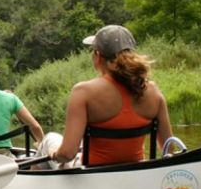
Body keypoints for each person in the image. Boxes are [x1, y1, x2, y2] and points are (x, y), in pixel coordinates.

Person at [48, 25, 173, 168]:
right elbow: (169, 148)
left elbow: (67, 154)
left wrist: (54, 153)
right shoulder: (153, 91)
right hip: (136, 171)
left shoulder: (83, 92)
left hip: (92, 174)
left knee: (49, 139)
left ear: (98, 55)